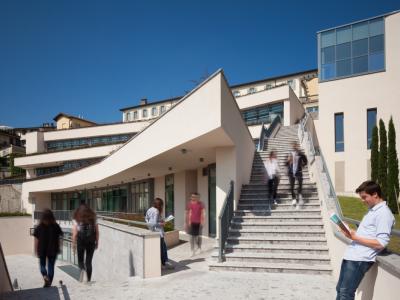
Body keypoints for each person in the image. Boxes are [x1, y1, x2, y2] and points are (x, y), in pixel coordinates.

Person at [336, 180, 395, 300]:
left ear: (375, 194)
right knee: (340, 290)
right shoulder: (372, 210)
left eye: (364, 197)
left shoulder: (384, 214)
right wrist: (350, 231)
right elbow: (368, 234)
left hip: (360, 259)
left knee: (346, 293)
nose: (362, 200)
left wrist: (355, 237)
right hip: (352, 255)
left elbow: (381, 243)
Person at [33, 209, 63, 288]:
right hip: (53, 249)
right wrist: (59, 247)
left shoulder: (39, 227)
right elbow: (59, 238)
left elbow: (36, 240)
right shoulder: (56, 226)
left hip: (42, 249)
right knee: (51, 266)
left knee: (42, 265)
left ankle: (45, 276)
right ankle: (49, 283)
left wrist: (35, 249)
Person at [72, 204, 99, 283]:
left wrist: (73, 245)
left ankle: (82, 272)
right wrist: (97, 242)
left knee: (80, 261)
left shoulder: (76, 219)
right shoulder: (94, 218)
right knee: (89, 262)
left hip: (81, 240)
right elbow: (97, 232)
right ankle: (89, 280)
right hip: (91, 241)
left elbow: (74, 234)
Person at [145, 198, 174, 269]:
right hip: (158, 233)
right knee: (163, 249)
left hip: (152, 231)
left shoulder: (149, 209)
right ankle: (164, 264)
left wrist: (160, 220)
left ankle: (163, 263)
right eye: (161, 205)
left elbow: (146, 219)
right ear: (159, 205)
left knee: (161, 248)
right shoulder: (156, 211)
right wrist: (162, 224)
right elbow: (154, 223)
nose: (162, 207)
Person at [286, 142, 308, 209]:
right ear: (292, 146)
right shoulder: (289, 154)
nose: (294, 147)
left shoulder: (301, 154)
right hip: (291, 172)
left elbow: (306, 161)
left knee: (300, 185)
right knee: (291, 187)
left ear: (297, 146)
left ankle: (299, 196)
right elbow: (286, 163)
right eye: (293, 146)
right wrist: (288, 161)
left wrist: (302, 165)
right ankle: (294, 199)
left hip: (298, 172)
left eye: (295, 146)